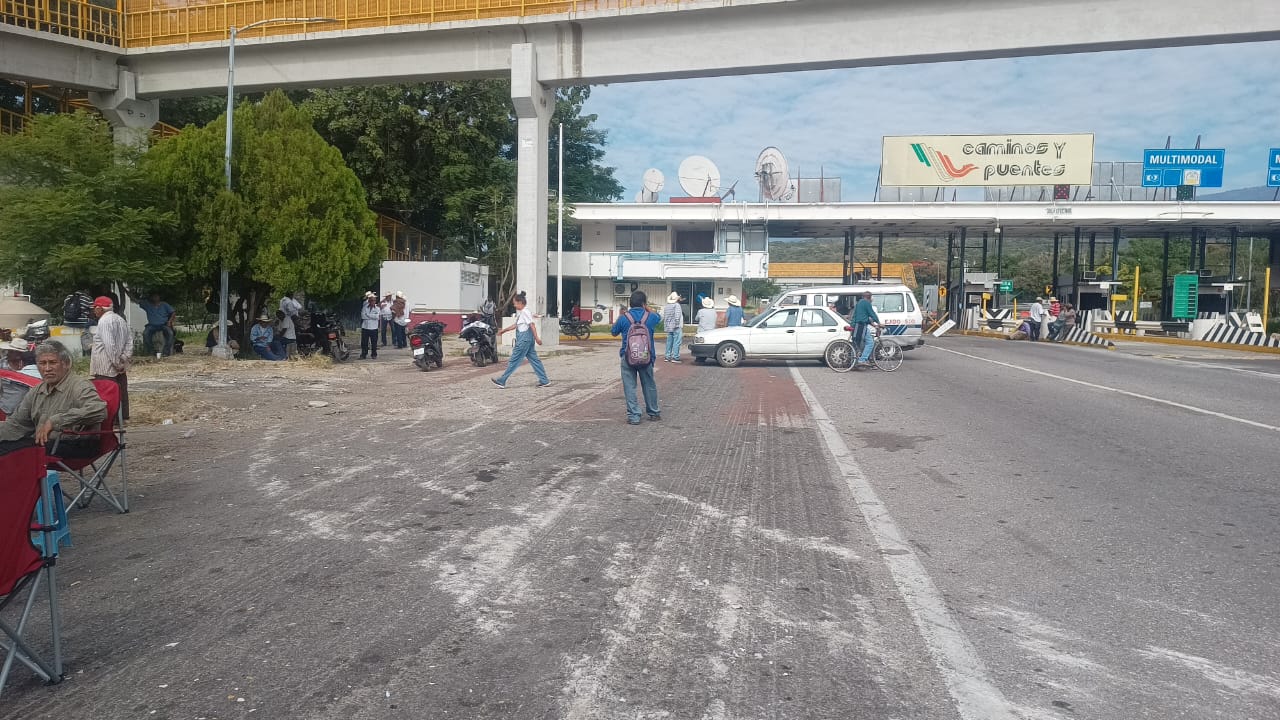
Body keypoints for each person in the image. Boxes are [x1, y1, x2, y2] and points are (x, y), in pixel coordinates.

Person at [0, 340, 107, 458]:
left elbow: (99, 410)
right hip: (45, 443)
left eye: (52, 362)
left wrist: (55, 421)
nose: (47, 368)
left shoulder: (79, 385)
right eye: (42, 363)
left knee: (12, 452)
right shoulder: (37, 390)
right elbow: (17, 423)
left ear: (65, 364)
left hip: (76, 444)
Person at [611, 290, 661, 425]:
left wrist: (621, 315)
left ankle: (634, 416)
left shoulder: (624, 318)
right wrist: (648, 308)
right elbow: (659, 317)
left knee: (629, 386)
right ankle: (654, 412)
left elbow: (613, 332)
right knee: (649, 385)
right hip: (647, 357)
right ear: (644, 303)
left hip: (628, 357)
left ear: (630, 303)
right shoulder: (650, 317)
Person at [492, 291, 550, 388]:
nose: (514, 305)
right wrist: (504, 331)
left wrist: (537, 338)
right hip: (527, 340)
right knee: (535, 360)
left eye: (515, 303)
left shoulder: (525, 312)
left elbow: (532, 325)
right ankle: (544, 380)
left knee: (514, 361)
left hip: (524, 340)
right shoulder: (525, 312)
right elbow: (516, 325)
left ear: (520, 303)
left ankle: (502, 380)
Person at [90, 296, 132, 421]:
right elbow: (130, 342)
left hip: (106, 367)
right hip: (120, 364)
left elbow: (109, 345)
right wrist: (124, 358)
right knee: (121, 392)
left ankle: (111, 420)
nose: (94, 311)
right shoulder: (120, 319)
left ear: (100, 308)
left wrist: (116, 363)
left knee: (108, 395)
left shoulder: (104, 321)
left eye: (95, 308)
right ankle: (122, 417)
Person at [130, 290, 176, 357]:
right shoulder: (147, 305)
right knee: (145, 333)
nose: (155, 298)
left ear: (159, 297)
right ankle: (151, 351)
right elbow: (136, 300)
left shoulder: (164, 304)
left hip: (164, 324)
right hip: (152, 325)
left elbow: (173, 312)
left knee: (170, 333)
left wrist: (170, 321)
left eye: (156, 296)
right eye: (153, 297)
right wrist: (127, 292)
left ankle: (166, 351)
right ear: (151, 298)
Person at [850, 290, 881, 368]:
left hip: (855, 325)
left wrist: (873, 325)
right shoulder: (866, 303)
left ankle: (853, 362)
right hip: (861, 326)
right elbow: (872, 314)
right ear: (869, 297)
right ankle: (862, 360)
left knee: (856, 344)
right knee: (870, 343)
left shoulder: (859, 303)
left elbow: (864, 317)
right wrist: (879, 323)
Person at [661, 291, 685, 363]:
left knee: (669, 342)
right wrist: (676, 324)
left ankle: (667, 356)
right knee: (677, 341)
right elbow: (677, 316)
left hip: (669, 327)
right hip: (676, 326)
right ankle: (675, 357)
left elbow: (664, 316)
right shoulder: (677, 305)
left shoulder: (667, 306)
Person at [359, 292, 381, 359]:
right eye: (371, 300)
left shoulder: (377, 308)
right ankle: (363, 354)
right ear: (369, 301)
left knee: (374, 342)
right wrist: (372, 316)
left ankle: (374, 354)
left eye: (374, 300)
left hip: (374, 328)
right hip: (365, 327)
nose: (373, 302)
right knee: (364, 342)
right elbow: (363, 316)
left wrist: (368, 315)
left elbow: (377, 317)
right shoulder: (365, 307)